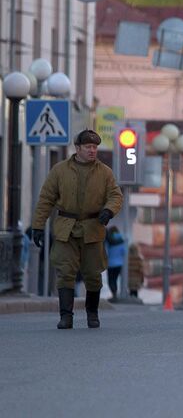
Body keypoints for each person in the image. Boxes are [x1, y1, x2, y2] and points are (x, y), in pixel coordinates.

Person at [31, 129, 123, 329]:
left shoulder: (104, 172)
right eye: (88, 147)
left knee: (93, 273)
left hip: (93, 228)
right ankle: (66, 316)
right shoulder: (60, 170)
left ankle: (92, 313)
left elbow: (116, 196)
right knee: (65, 272)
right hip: (66, 229)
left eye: (95, 147)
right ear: (78, 148)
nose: (92, 151)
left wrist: (108, 211)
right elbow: (46, 199)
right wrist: (38, 226)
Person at [105, 226, 128, 301]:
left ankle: (114, 294)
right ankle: (121, 293)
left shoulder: (109, 240)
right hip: (119, 264)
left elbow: (105, 250)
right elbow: (124, 251)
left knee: (111, 280)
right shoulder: (121, 239)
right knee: (117, 279)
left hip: (111, 264)